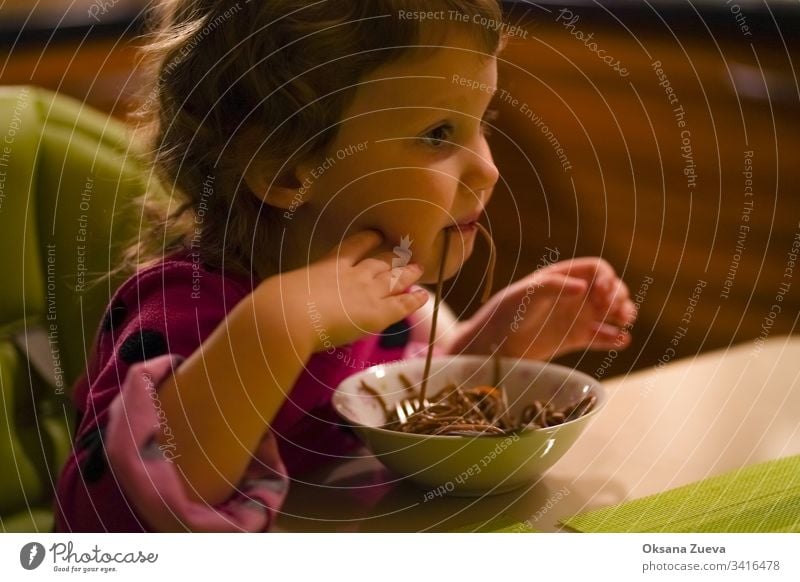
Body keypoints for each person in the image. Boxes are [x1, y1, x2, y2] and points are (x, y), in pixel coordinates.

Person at [54, 0, 636, 532]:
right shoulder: (181, 313)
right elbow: (104, 521)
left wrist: (494, 350)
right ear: (288, 170)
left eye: (481, 123)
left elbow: (390, 428)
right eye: (438, 134)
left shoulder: (394, 297)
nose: (488, 169)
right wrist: (277, 325)